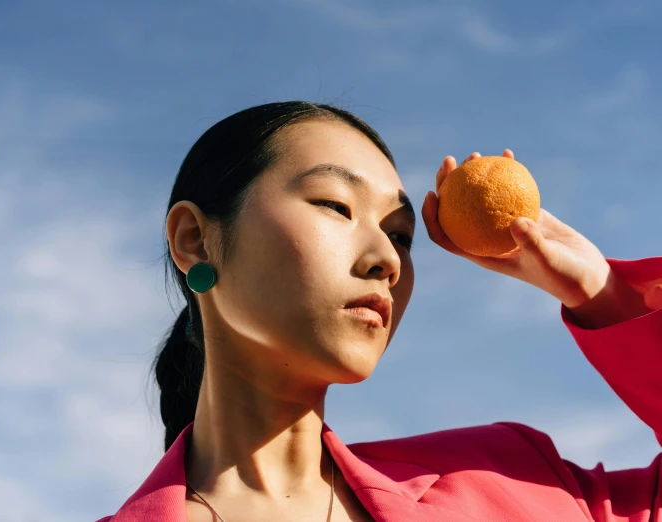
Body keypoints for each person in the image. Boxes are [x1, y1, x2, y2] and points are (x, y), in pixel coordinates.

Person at [97, 102, 662, 521]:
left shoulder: (514, 478)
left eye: (401, 235)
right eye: (335, 206)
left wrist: (607, 294)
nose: (387, 260)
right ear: (195, 239)